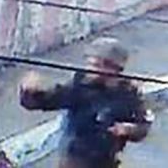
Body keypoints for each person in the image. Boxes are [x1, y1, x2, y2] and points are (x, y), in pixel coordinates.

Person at [19, 38, 152, 168]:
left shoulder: (128, 93)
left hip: (107, 160)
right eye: (89, 63)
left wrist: (128, 129)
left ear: (113, 68)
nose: (89, 69)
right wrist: (29, 91)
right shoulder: (80, 87)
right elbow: (44, 101)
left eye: (96, 65)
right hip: (76, 160)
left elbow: (143, 126)